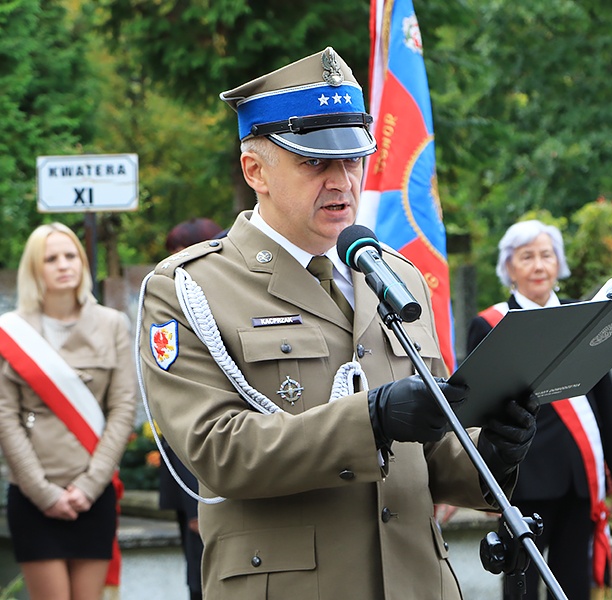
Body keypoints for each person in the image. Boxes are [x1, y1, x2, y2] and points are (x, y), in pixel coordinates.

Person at [136, 47, 538, 600]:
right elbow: (218, 450)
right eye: (314, 162)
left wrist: (490, 453)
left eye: (352, 160)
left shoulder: (395, 276)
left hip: (418, 582)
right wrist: (370, 418)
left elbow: (428, 457)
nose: (342, 180)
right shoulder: (190, 288)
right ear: (256, 171)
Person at [466, 219, 612, 600]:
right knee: (521, 583)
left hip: (578, 475)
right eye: (527, 257)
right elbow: (484, 405)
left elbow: (603, 397)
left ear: (559, 264)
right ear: (509, 268)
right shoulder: (490, 323)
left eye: (547, 255)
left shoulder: (584, 314)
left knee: (573, 581)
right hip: (525, 475)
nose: (539, 265)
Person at [0, 222, 136, 600]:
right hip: (33, 496)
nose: (64, 265)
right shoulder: (10, 331)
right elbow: (4, 417)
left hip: (93, 494)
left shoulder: (112, 324)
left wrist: (90, 486)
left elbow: (124, 406)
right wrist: (44, 493)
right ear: (34, 269)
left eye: (71, 255)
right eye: (51, 258)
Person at [157, 217, 225, 600]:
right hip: (193, 474)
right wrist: (192, 506)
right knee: (198, 582)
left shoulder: (218, 302)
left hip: (221, 481)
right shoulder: (174, 305)